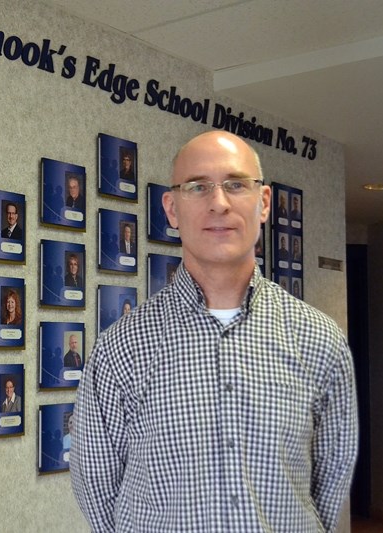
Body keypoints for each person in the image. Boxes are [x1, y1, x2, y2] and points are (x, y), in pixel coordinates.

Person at [70, 131, 357, 532]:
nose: (218, 203)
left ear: (264, 203)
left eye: (236, 184)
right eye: (198, 187)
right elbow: (96, 485)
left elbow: (333, 475)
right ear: (171, 209)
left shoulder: (320, 340)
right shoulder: (122, 346)